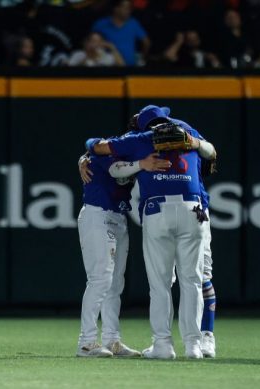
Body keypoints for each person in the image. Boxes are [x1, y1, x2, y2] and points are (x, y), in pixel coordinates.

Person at [79, 108, 218, 358]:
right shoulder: (187, 132)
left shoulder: (140, 139)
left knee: (158, 283)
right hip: (192, 208)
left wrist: (90, 152)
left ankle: (162, 345)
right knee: (192, 280)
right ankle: (194, 345)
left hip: (157, 210)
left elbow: (97, 146)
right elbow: (212, 151)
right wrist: (194, 143)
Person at [76, 137, 170, 358]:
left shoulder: (136, 153)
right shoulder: (107, 150)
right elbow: (115, 169)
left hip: (118, 217)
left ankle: (112, 340)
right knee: (100, 279)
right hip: (97, 214)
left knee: (116, 282)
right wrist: (140, 165)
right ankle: (86, 341)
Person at [92, 0, 150, 66]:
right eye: (126, 8)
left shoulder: (133, 23)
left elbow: (147, 43)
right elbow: (91, 43)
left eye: (130, 8)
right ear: (116, 8)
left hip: (130, 68)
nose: (129, 11)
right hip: (108, 67)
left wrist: (142, 58)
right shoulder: (100, 24)